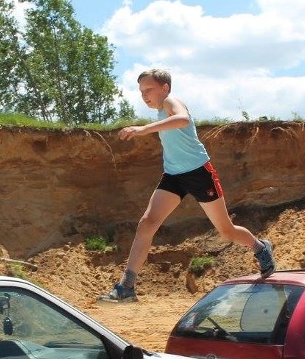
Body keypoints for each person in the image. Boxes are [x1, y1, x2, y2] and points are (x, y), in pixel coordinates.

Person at [99, 68, 275, 303]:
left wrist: (142, 130)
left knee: (226, 230)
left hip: (199, 173)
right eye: (141, 91)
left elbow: (182, 119)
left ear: (165, 88)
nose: (144, 95)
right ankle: (126, 286)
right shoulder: (161, 113)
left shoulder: (172, 102)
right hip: (173, 176)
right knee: (147, 223)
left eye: (148, 89)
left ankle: (260, 248)